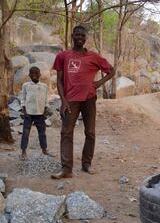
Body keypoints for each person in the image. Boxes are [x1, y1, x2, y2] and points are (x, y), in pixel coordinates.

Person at [51, 25, 115, 179]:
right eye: (77, 34)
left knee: (90, 132)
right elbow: (59, 81)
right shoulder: (63, 56)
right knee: (66, 132)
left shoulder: (94, 57)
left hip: (89, 99)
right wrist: (63, 101)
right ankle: (66, 169)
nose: (80, 37)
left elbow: (111, 71)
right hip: (70, 100)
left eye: (82, 35)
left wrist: (98, 83)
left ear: (86, 38)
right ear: (72, 36)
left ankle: (87, 164)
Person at [20, 66, 50, 160]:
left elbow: (46, 100)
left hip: (40, 114)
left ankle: (44, 149)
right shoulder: (26, 85)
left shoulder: (44, 86)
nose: (34, 75)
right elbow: (23, 99)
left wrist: (45, 111)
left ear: (40, 74)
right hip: (28, 114)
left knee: (42, 133)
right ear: (29, 75)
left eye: (36, 73)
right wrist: (24, 111)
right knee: (25, 133)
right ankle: (23, 151)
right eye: (32, 73)